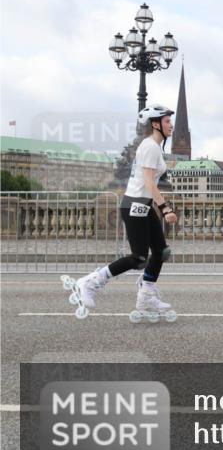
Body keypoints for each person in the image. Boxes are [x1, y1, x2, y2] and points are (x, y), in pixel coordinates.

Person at [74, 104, 178, 318]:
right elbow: (149, 183)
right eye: (167, 121)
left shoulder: (154, 147)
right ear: (155, 124)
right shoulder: (149, 146)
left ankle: (147, 295)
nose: (171, 125)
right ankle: (91, 282)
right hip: (134, 205)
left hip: (143, 205)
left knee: (161, 251)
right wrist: (165, 208)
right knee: (139, 257)